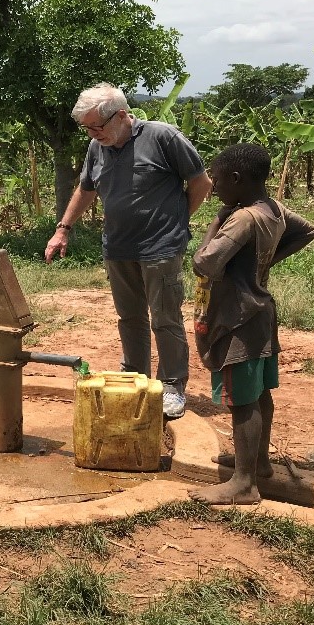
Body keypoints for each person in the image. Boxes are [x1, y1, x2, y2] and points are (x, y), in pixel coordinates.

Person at [45, 82, 212, 419]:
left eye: (97, 126)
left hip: (161, 247)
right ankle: (136, 377)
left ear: (121, 115)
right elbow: (86, 189)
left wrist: (177, 220)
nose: (93, 134)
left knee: (165, 318)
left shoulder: (163, 137)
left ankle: (172, 386)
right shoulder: (97, 147)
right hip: (118, 247)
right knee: (130, 318)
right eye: (87, 128)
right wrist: (63, 229)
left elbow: (201, 183)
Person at [187, 143, 314, 505]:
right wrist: (266, 261)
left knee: (242, 401)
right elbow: (307, 231)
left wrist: (216, 222)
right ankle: (257, 463)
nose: (213, 188)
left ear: (236, 178)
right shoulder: (273, 209)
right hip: (260, 313)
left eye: (217, 180)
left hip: (236, 318)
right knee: (259, 393)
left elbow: (204, 263)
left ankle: (244, 484)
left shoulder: (242, 219)